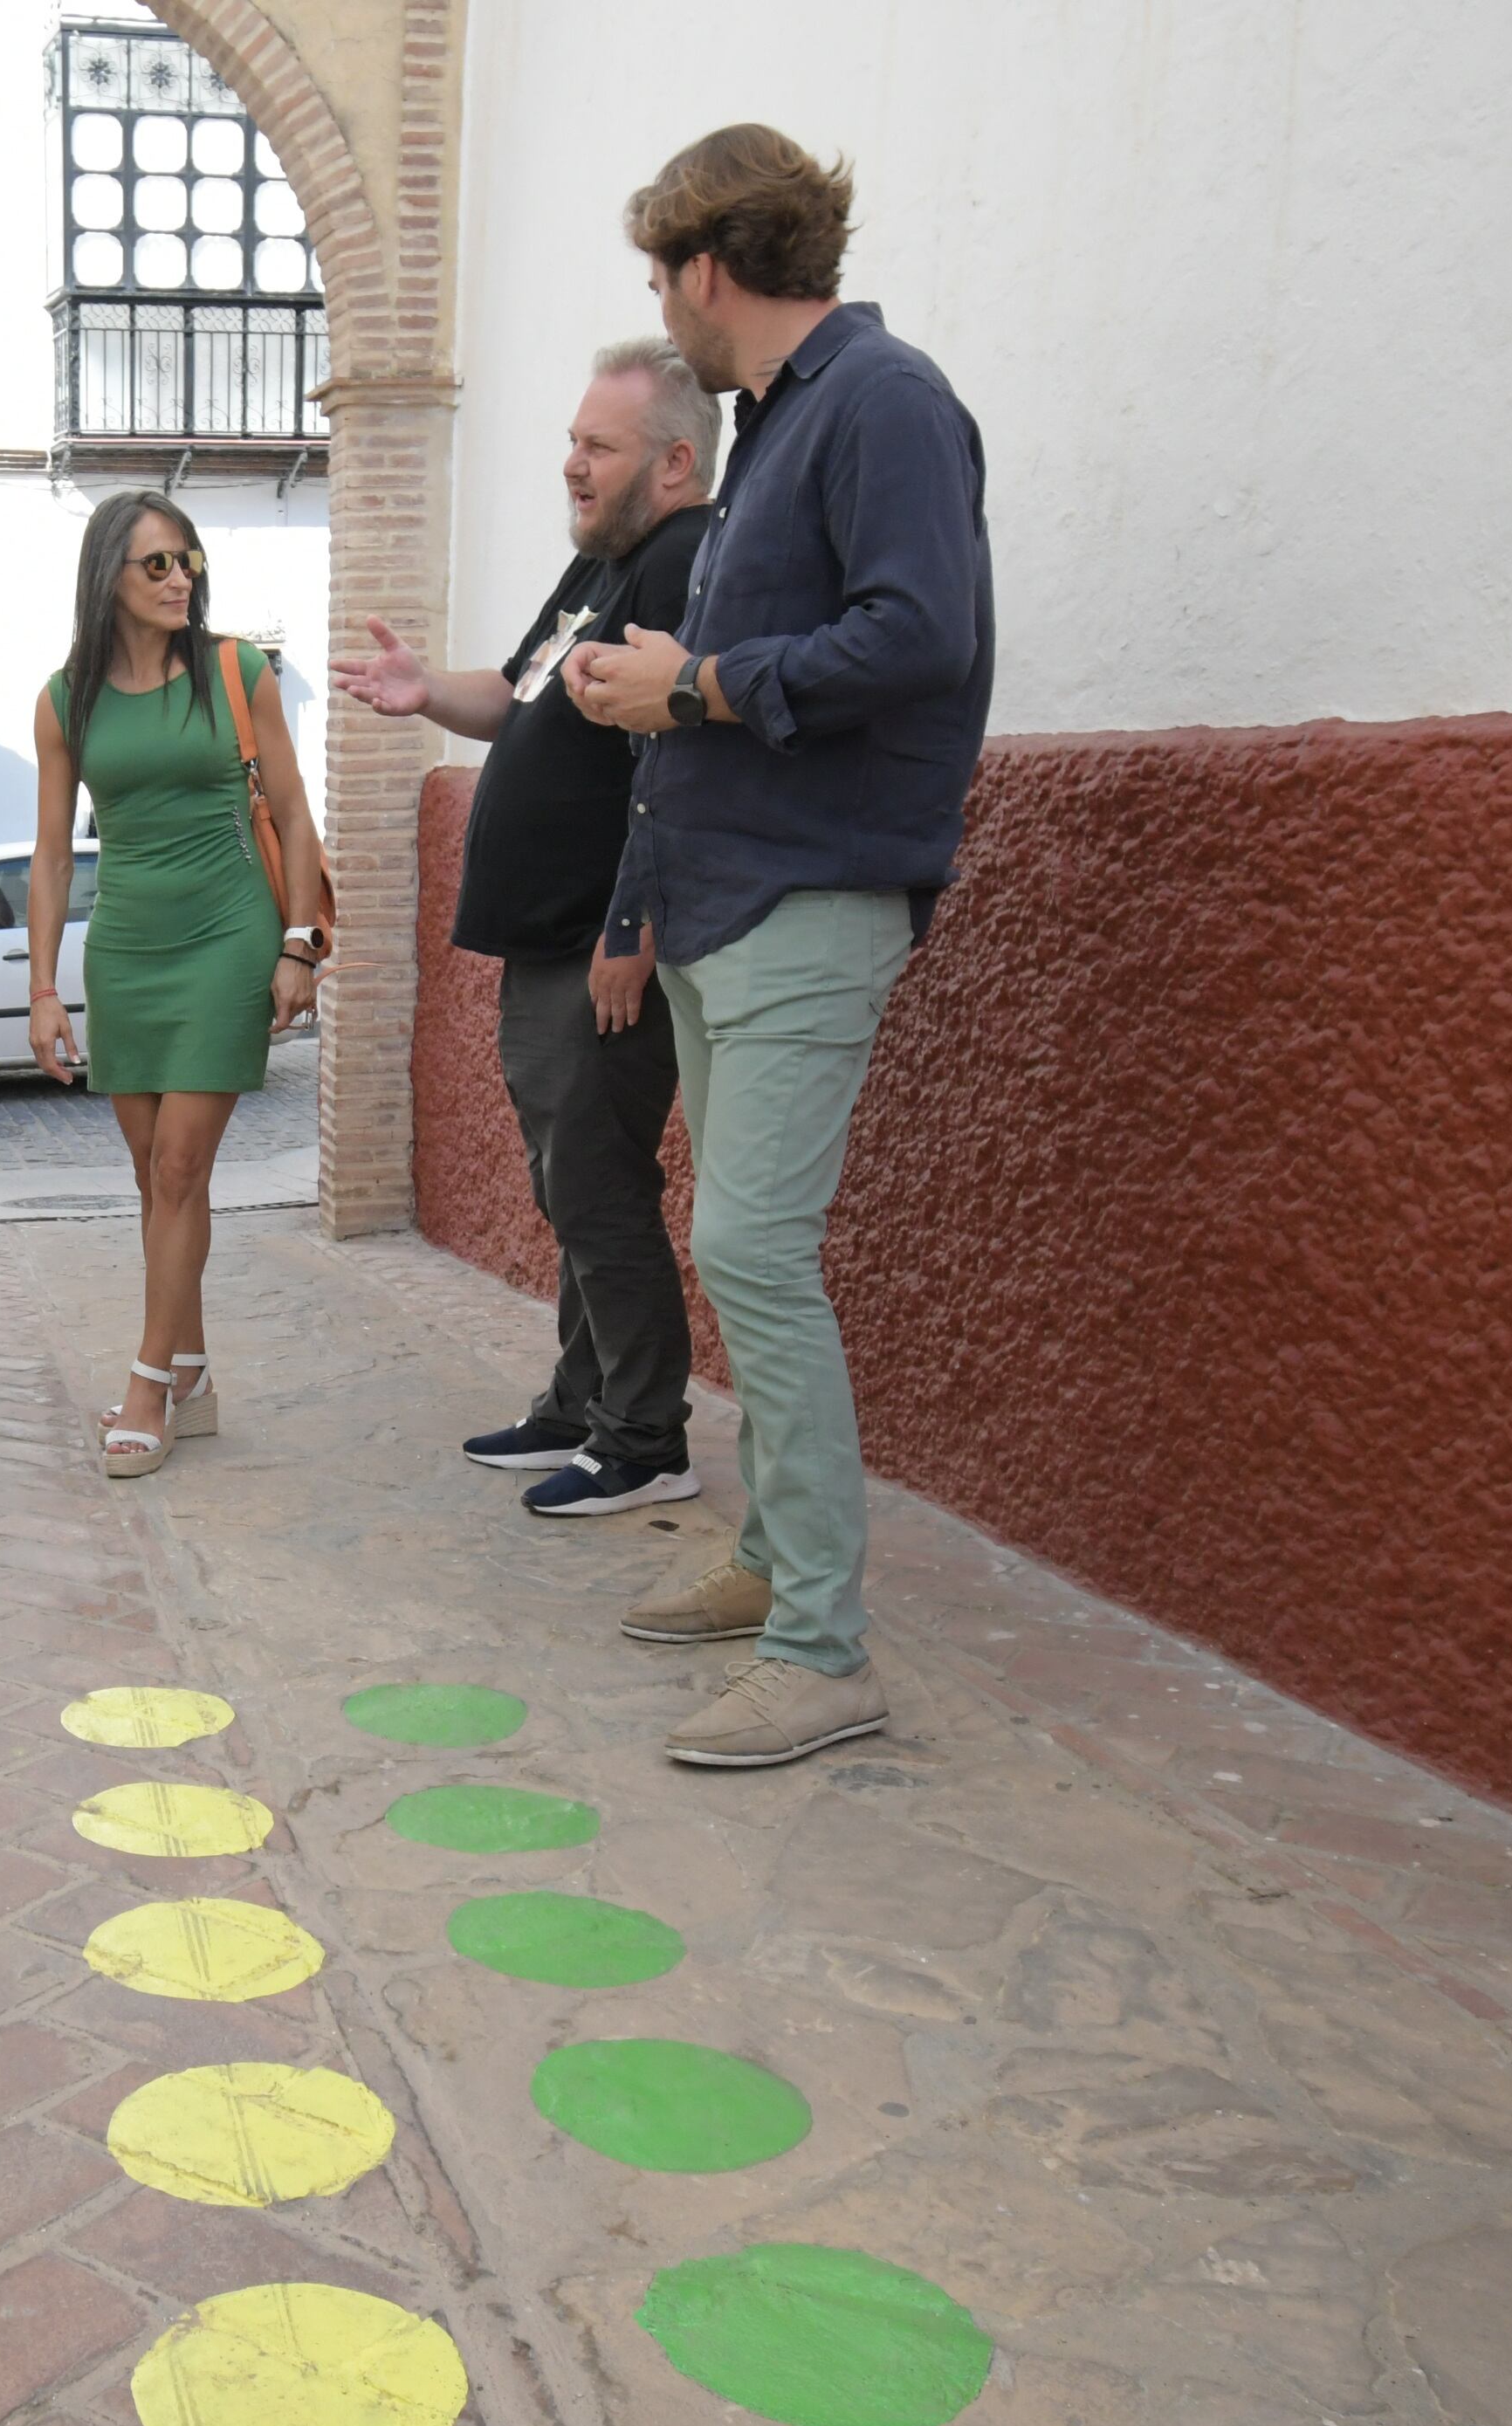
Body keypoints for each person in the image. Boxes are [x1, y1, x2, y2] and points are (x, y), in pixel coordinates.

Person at [564, 126, 995, 1765]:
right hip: (734, 899)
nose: (660, 308)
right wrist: (666, 688)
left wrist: (697, 684)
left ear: (705, 265)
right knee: (738, 1245)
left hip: (815, 899)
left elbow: (919, 634)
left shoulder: (882, 402)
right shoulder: (783, 422)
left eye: (657, 275)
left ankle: (823, 1642)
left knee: (753, 1252)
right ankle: (769, 1564)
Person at [336, 339, 718, 1520]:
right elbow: (517, 698)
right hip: (550, 940)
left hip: (600, 947)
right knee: (570, 1181)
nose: (570, 464)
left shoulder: (683, 563)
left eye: (596, 446)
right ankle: (581, 1399)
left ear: (675, 463)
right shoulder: (602, 568)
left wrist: (632, 925)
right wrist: (423, 694)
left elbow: (682, 766)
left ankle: (646, 1435)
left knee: (597, 1187)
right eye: (571, 442)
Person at [24, 492, 326, 1480]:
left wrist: (299, 946)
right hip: (127, 948)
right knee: (153, 1172)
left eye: (185, 559)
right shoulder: (67, 696)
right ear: (107, 573)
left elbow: (289, 803)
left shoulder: (236, 670)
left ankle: (150, 1381)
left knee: (180, 1172)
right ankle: (192, 1373)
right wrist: (41, 989)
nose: (177, 577)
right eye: (154, 563)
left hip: (227, 938)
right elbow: (52, 857)